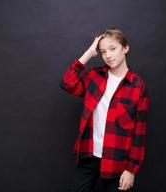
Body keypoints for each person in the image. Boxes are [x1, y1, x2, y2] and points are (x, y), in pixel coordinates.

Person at [60, 28, 150, 192]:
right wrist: (89, 53)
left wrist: (131, 169)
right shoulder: (94, 77)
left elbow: (139, 132)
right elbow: (67, 83)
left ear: (125, 48)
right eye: (103, 51)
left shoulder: (138, 86)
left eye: (113, 48)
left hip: (117, 161)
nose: (108, 55)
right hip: (89, 156)